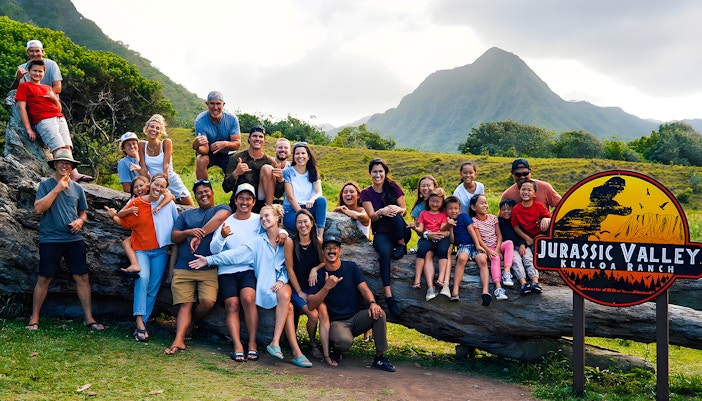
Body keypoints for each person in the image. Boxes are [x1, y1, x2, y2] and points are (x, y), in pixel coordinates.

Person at [190, 205, 313, 368]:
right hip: (266, 285)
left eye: (267, 216)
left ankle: (281, 345)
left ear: (277, 218)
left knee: (285, 298)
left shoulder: (286, 240)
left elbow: (288, 267)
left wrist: (282, 280)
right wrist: (209, 260)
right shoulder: (257, 242)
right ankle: (294, 352)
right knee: (289, 307)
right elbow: (235, 254)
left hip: (282, 283)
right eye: (261, 217)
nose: (263, 219)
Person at [25, 149, 103, 331]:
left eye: (67, 163)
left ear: (71, 167)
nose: (64, 165)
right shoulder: (46, 185)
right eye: (60, 162)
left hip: (73, 240)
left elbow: (84, 213)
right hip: (50, 239)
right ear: (54, 165)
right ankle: (34, 318)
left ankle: (89, 318)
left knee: (82, 277)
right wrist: (58, 188)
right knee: (44, 278)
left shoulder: (78, 189)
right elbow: (38, 209)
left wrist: (80, 220)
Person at [208, 183, 285, 362]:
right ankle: (237, 345)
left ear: (253, 202)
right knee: (232, 304)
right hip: (227, 271)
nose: (244, 202)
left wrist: (283, 233)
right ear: (235, 201)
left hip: (249, 269)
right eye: (241, 198)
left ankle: (252, 343)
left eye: (248, 199)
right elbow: (213, 250)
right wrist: (222, 236)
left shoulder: (258, 220)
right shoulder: (226, 222)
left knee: (249, 298)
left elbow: (273, 225)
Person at [306, 235, 396, 372]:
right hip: (336, 322)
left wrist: (372, 303)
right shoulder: (318, 274)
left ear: (340, 251)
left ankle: (380, 358)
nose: (331, 251)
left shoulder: (351, 267)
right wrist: (326, 287)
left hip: (356, 316)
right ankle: (336, 348)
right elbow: (311, 304)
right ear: (323, 252)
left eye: (335, 248)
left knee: (379, 314)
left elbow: (364, 289)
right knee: (344, 342)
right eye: (328, 248)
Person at [164, 180, 231, 354]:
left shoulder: (220, 209)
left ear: (212, 193)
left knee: (207, 303)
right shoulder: (186, 215)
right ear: (195, 196)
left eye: (206, 191)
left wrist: (200, 234)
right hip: (184, 267)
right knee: (185, 304)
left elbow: (220, 218)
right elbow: (174, 236)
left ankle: (192, 321)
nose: (203, 194)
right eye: (199, 192)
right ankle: (178, 340)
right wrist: (188, 232)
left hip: (208, 269)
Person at [114, 173, 178, 341]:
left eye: (162, 187)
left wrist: (172, 244)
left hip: (160, 251)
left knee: (153, 287)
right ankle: (140, 322)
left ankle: (141, 323)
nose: (158, 189)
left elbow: (175, 225)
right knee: (142, 278)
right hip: (141, 249)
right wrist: (112, 214)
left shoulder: (168, 204)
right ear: (150, 184)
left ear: (165, 189)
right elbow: (123, 221)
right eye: (156, 185)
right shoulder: (136, 202)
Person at [15, 59, 93, 183]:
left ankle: (75, 175)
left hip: (59, 117)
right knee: (58, 147)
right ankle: (64, 177)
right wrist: (29, 128)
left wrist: (54, 98)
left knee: (67, 146)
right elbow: (21, 107)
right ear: (29, 71)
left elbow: (59, 108)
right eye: (34, 71)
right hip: (43, 119)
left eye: (40, 71)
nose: (37, 74)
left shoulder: (47, 88)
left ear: (44, 73)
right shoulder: (24, 86)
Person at [360, 158, 409, 316]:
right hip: (381, 233)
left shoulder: (393, 187)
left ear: (385, 172)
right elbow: (372, 218)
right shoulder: (366, 193)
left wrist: (395, 209)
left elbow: (404, 209)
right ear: (370, 174)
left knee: (394, 213)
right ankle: (389, 296)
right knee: (385, 255)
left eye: (380, 171)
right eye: (374, 171)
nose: (378, 174)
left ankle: (401, 245)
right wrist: (381, 211)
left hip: (400, 231)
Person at [284, 210, 333, 364]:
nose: (303, 225)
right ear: (296, 225)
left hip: (312, 287)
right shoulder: (290, 242)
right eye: (299, 222)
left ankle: (315, 342)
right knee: (313, 315)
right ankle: (311, 343)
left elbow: (324, 262)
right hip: (295, 288)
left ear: (312, 223)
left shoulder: (317, 241)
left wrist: (315, 269)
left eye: (306, 221)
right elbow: (289, 268)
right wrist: (298, 291)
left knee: (321, 312)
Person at [139, 114, 194, 206]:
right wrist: (149, 185)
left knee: (190, 207)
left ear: (160, 132)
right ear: (146, 128)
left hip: (170, 180)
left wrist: (164, 185)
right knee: (163, 208)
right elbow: (143, 168)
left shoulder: (166, 143)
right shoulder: (141, 145)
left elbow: (166, 166)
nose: (154, 130)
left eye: (157, 128)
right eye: (152, 127)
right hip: (155, 184)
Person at [469, 194, 512, 306]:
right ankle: (498, 288)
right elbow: (479, 239)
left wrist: (498, 249)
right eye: (482, 203)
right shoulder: (474, 221)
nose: (485, 205)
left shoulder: (493, 218)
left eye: (486, 202)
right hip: (487, 248)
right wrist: (489, 251)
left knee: (509, 243)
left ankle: (507, 272)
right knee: (495, 258)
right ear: (474, 207)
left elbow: (499, 235)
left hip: (497, 246)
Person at [222, 125, 277, 213]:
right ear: (249, 139)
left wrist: (280, 180)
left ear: (264, 140)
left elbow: (278, 193)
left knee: (267, 169)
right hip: (240, 202)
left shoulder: (270, 162)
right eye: (254, 136)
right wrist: (236, 173)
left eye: (261, 137)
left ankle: (268, 211)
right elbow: (226, 188)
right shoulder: (236, 158)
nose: (257, 139)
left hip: (260, 203)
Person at [510, 180, 552, 295]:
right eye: (523, 189)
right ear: (519, 192)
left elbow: (550, 218)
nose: (526, 192)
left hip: (540, 240)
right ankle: (527, 283)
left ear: (535, 194)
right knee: (526, 258)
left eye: (529, 190)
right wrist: (526, 238)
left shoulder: (539, 206)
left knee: (536, 258)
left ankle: (535, 283)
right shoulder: (516, 209)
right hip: (526, 241)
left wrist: (545, 219)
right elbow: (516, 227)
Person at [442, 196, 486, 301]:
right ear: (445, 210)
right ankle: (455, 290)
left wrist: (478, 245)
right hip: (463, 246)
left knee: (482, 260)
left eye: (456, 208)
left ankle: (485, 290)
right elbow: (452, 241)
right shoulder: (448, 221)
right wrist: (450, 227)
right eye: (450, 208)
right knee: (461, 258)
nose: (453, 211)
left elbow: (472, 231)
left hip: (474, 244)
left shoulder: (464, 217)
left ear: (459, 209)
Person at [282, 142, 327, 238]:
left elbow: (319, 192)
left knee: (322, 200)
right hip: (292, 210)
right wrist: (303, 215)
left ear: (308, 156)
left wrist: (312, 199)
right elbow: (290, 197)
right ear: (293, 157)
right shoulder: (287, 172)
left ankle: (320, 236)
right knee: (304, 225)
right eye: (297, 154)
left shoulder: (313, 171)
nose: (300, 156)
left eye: (303, 153)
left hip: (309, 207)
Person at [193, 91, 241, 180]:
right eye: (212, 104)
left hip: (226, 153)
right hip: (208, 153)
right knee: (201, 160)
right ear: (207, 104)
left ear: (223, 104)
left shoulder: (232, 119)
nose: (215, 108)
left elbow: (237, 144)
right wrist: (196, 147)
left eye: (218, 104)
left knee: (237, 164)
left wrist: (225, 144)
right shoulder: (200, 121)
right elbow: (205, 149)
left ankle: (237, 191)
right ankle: (203, 189)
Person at [413, 188, 451, 301]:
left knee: (443, 250)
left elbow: (443, 228)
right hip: (428, 238)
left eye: (438, 202)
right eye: (432, 201)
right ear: (428, 201)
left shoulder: (443, 214)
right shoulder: (423, 213)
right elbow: (420, 228)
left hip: (440, 237)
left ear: (442, 202)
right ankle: (417, 279)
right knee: (422, 251)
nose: (435, 204)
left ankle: (440, 279)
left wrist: (447, 226)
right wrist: (415, 228)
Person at [498, 198, 541, 296]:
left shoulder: (518, 219)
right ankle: (523, 284)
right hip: (510, 249)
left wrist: (522, 244)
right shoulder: (499, 222)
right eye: (503, 209)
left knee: (528, 259)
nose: (506, 212)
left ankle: (535, 282)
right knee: (516, 261)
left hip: (522, 245)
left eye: (509, 209)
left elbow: (524, 234)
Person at [259, 137, 291, 206]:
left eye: (286, 148)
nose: (283, 150)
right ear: (275, 150)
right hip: (262, 198)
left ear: (290, 152)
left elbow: (279, 194)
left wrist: (280, 180)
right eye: (280, 147)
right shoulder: (267, 162)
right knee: (267, 168)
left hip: (280, 198)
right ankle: (268, 207)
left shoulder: (291, 167)